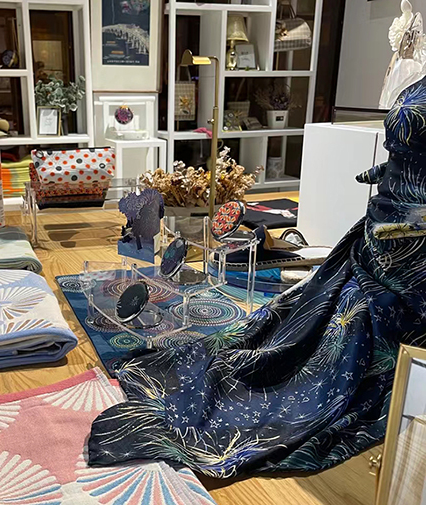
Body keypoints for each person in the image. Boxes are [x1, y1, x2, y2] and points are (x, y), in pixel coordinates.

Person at [87, 77, 426, 478]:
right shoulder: (417, 84)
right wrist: (389, 172)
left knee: (349, 328)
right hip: (386, 218)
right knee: (299, 316)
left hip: (411, 240)